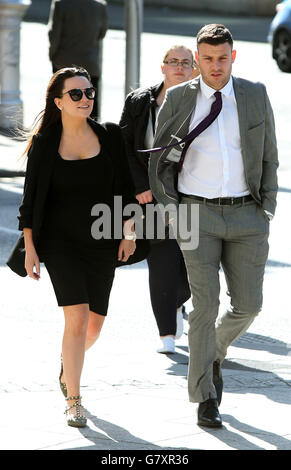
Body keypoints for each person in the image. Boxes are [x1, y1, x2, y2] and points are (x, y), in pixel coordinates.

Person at [149, 24, 278, 427]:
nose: (215, 66)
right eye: (207, 59)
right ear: (197, 59)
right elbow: (159, 160)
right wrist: (172, 210)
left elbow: (270, 155)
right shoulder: (180, 98)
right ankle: (205, 397)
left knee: (249, 306)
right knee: (205, 305)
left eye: (222, 58)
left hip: (247, 214)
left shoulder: (255, 94)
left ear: (233, 56)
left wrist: (267, 207)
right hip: (196, 214)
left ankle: (213, 352)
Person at [17, 66, 137, 428]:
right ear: (59, 101)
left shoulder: (111, 136)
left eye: (89, 93)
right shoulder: (45, 144)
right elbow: (30, 199)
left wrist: (128, 231)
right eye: (76, 94)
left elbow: (126, 189)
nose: (86, 99)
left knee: (94, 328)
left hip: (102, 240)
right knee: (78, 316)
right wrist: (31, 248)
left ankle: (67, 367)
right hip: (59, 243)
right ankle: (74, 399)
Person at [120, 46, 199, 354]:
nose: (179, 67)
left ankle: (178, 302)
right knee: (162, 259)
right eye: (173, 62)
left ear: (194, 69)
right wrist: (139, 185)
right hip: (151, 195)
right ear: (162, 67)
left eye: (185, 63)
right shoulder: (140, 102)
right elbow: (125, 146)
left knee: (194, 264)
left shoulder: (203, 103)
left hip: (193, 195)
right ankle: (166, 332)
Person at [48, 0, 108, 119]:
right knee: (90, 110)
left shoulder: (61, 4)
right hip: (90, 65)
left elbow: (54, 35)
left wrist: (52, 56)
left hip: (63, 64)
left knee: (59, 108)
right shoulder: (100, 6)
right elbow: (101, 34)